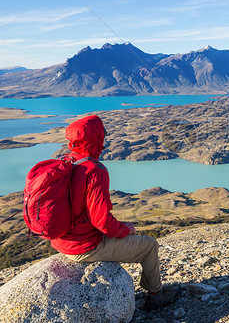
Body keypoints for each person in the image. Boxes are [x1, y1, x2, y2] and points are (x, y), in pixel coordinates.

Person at [50, 114, 180, 310]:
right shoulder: (94, 170)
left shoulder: (65, 162)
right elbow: (101, 221)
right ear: (97, 138)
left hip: (61, 242)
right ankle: (156, 295)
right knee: (150, 246)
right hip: (84, 246)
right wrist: (126, 230)